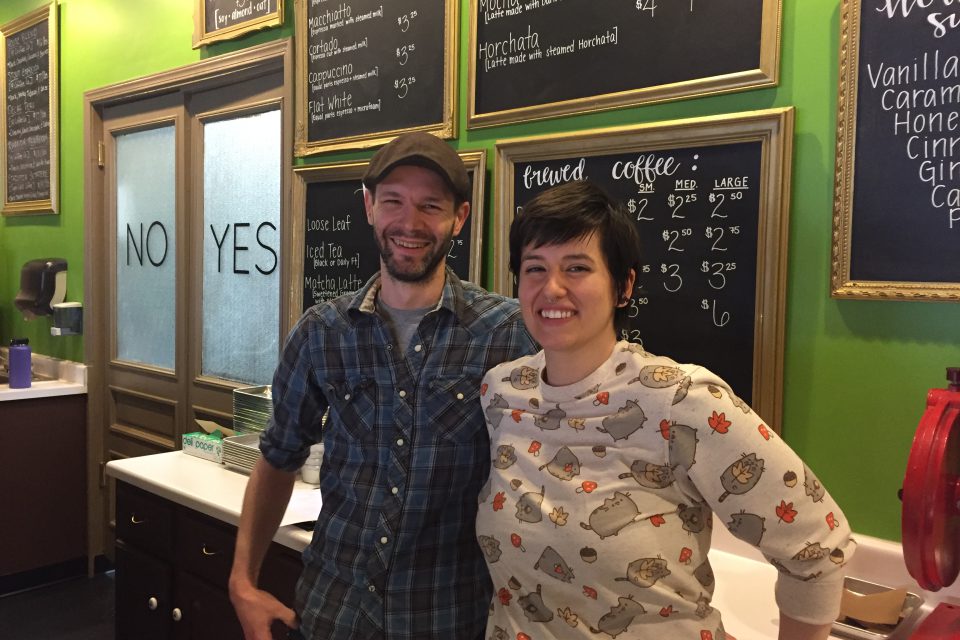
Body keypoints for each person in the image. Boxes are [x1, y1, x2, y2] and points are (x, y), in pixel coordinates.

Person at [477, 180, 855, 640]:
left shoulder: (682, 401)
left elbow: (818, 547)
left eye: (577, 268)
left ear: (624, 286)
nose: (551, 288)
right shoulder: (501, 393)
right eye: (535, 269)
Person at [229, 131, 538, 640]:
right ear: (370, 207)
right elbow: (278, 455)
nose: (410, 223)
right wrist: (243, 581)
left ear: (458, 218)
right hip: (332, 612)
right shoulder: (320, 331)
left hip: (448, 618)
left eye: (430, 206)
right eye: (393, 201)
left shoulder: (506, 333)